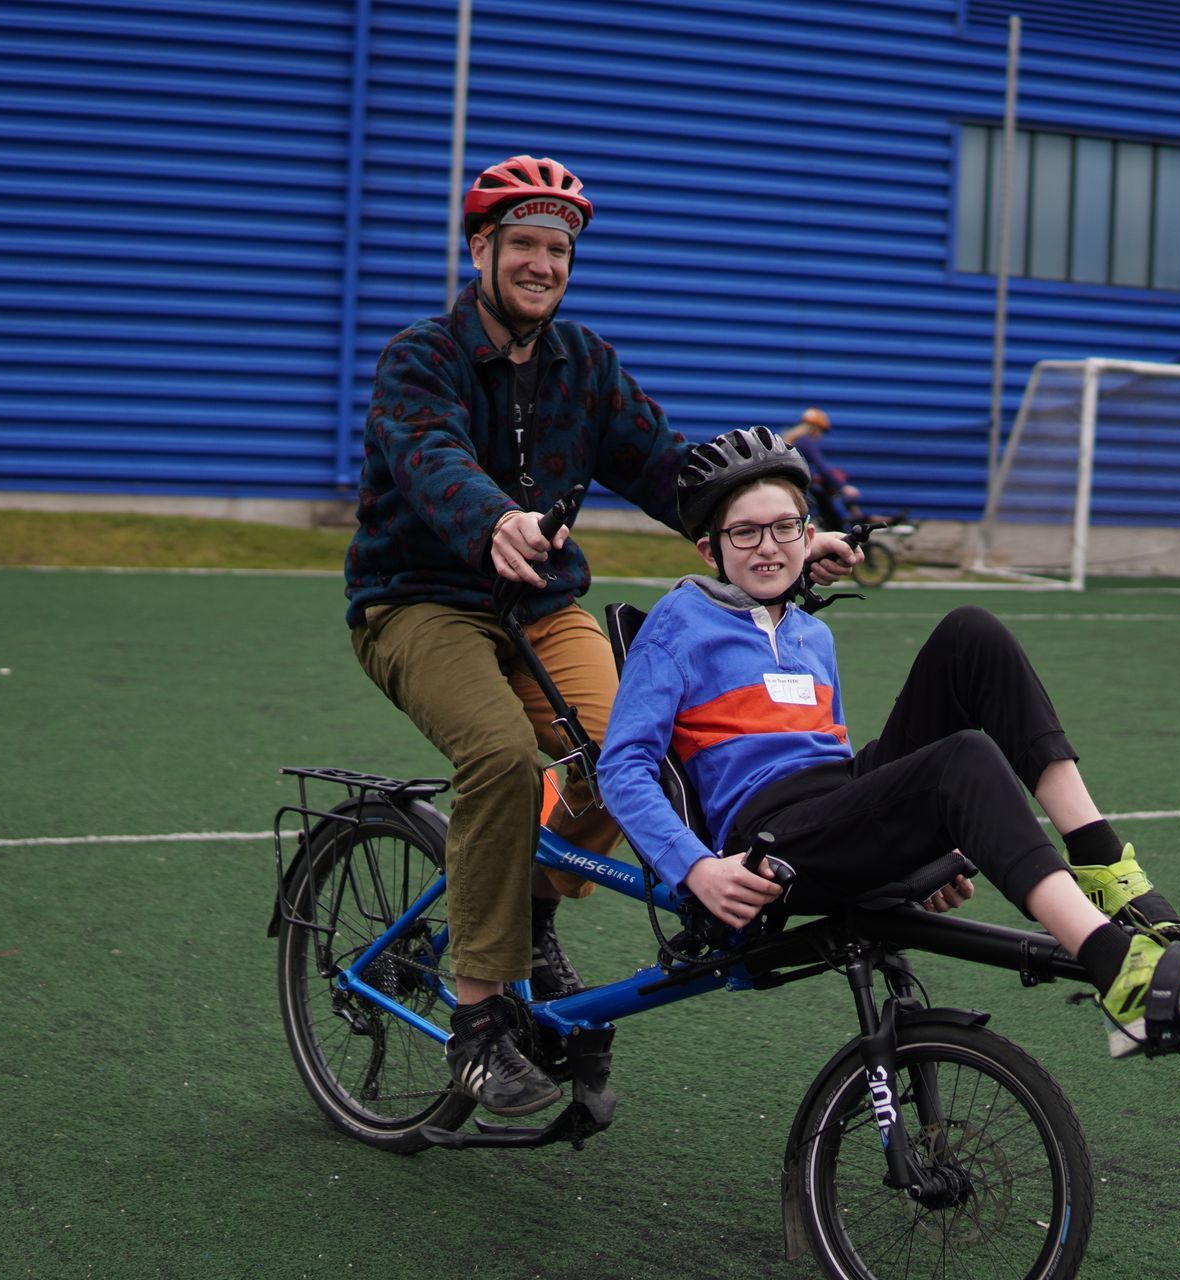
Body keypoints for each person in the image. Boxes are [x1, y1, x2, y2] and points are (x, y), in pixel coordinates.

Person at [345, 159, 860, 1118]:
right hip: (419, 601)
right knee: (500, 756)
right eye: (523, 244)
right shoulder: (423, 356)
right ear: (481, 249)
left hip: (540, 606)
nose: (542, 263)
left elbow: (673, 473)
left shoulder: (584, 363)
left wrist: (788, 538)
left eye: (558, 249)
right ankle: (478, 1017)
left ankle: (533, 904)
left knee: (631, 749)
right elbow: (429, 455)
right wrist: (496, 519)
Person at [598, 428, 1180, 1058]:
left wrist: (914, 844)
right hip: (768, 838)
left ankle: (1107, 871)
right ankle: (1118, 970)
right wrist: (697, 869)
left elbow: (836, 766)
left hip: (834, 804)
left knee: (971, 634)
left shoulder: (809, 633)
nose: (768, 547)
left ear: (808, 532)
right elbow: (623, 767)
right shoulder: (679, 623)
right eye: (745, 533)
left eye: (785, 528)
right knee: (962, 759)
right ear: (709, 550)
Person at [782, 406, 862, 531]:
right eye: (821, 431)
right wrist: (842, 487)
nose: (820, 435)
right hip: (801, 488)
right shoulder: (805, 441)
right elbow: (822, 466)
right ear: (815, 429)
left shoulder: (790, 438)